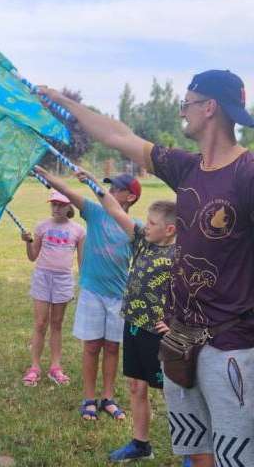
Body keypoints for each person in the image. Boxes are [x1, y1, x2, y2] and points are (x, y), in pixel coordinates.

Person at [39, 69, 254, 466]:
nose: (182, 113)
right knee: (196, 448)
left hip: (231, 347)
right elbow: (119, 135)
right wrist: (62, 102)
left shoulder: (247, 173)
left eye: (186, 104)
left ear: (210, 108)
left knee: (235, 456)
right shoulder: (187, 168)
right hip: (178, 339)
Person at [78, 168, 176, 461]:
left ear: (169, 229)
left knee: (170, 393)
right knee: (135, 386)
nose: (145, 225)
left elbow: (194, 293)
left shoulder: (180, 256)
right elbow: (113, 209)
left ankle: (191, 449)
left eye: (151, 223)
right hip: (133, 323)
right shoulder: (143, 240)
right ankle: (141, 444)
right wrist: (95, 184)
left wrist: (174, 322)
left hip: (157, 334)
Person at [35, 165, 141, 421]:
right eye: (110, 186)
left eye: (117, 188)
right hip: (93, 292)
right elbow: (68, 191)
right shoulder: (93, 212)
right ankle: (89, 398)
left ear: (131, 197)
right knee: (92, 347)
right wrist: (47, 175)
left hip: (118, 296)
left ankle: (108, 397)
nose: (111, 190)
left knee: (112, 348)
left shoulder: (134, 226)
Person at [21, 190, 85, 386]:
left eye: (60, 204)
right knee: (41, 323)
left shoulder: (79, 230)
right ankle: (34, 367)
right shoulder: (42, 226)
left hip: (63, 280)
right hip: (42, 277)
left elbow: (81, 262)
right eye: (53, 204)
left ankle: (55, 367)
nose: (56, 208)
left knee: (56, 323)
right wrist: (27, 242)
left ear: (69, 207)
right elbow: (32, 256)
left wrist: (83, 283)